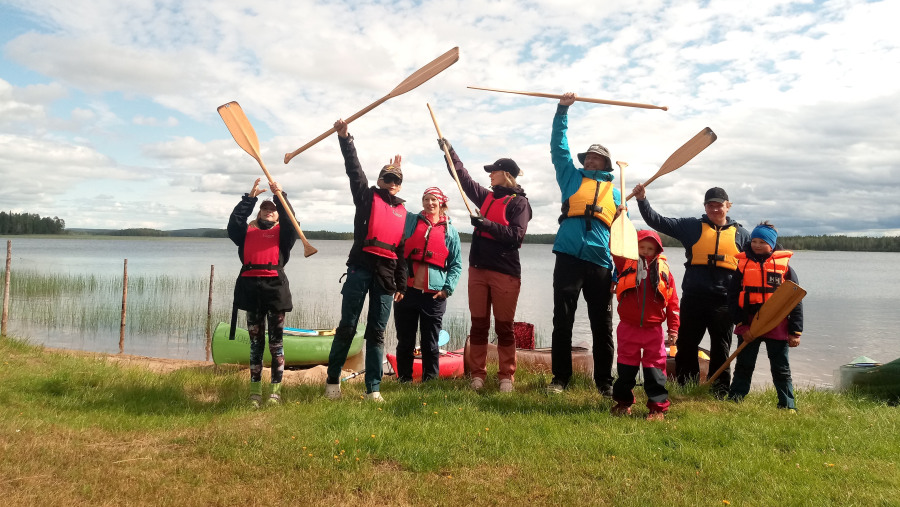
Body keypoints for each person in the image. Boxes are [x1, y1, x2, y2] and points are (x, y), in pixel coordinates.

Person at [633, 184, 750, 396]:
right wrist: (642, 200)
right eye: (710, 205)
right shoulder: (691, 227)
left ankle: (720, 390)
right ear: (705, 207)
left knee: (721, 348)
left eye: (719, 206)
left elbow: (761, 258)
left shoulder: (742, 235)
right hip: (694, 298)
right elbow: (657, 221)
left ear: (728, 206)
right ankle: (687, 387)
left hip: (724, 302)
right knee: (686, 345)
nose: (715, 210)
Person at [437, 137, 532, 392]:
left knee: (504, 327)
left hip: (505, 273)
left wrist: (485, 224)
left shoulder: (520, 203)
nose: (489, 175)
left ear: (507, 175)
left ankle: (505, 377)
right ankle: (477, 375)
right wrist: (449, 152)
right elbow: (462, 178)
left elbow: (516, 236)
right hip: (478, 270)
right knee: (478, 324)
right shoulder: (486, 197)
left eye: (494, 171)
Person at [324, 119, 408, 402]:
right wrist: (346, 138)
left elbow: (403, 252)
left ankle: (373, 388)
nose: (392, 183)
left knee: (377, 332)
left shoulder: (402, 212)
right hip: (360, 268)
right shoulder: (365, 196)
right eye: (388, 178)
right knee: (348, 325)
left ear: (399, 186)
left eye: (397, 180)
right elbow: (354, 170)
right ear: (380, 180)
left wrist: (402, 284)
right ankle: (332, 382)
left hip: (386, 274)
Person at [547, 92, 622, 396]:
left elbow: (621, 238)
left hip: (601, 264)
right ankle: (560, 378)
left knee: (602, 325)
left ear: (605, 163)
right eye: (588, 156)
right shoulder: (570, 177)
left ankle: (604, 382)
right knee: (562, 321)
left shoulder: (616, 194)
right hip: (568, 258)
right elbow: (558, 146)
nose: (590, 159)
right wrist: (562, 110)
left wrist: (619, 272)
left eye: (596, 157)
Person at [227, 178, 297, 408]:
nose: (269, 211)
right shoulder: (244, 232)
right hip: (250, 291)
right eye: (265, 208)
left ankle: (275, 393)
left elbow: (292, 220)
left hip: (275, 290)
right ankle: (255, 394)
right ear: (258, 213)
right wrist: (249, 199)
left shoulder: (284, 234)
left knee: (276, 344)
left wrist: (280, 196)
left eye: (273, 210)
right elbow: (233, 224)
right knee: (256, 344)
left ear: (278, 215)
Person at [727, 221, 803, 410]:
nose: (757, 245)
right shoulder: (742, 266)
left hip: (777, 324)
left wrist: (795, 331)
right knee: (744, 365)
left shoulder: (785, 268)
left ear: (772, 243)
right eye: (754, 241)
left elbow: (795, 300)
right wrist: (741, 325)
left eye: (762, 241)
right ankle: (735, 398)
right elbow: (732, 297)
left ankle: (787, 405)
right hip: (750, 323)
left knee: (781, 368)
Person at [393, 187, 463, 382]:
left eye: (433, 199)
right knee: (405, 341)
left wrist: (446, 290)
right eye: (426, 199)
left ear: (441, 202)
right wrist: (397, 176)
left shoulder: (450, 231)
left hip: (433, 296)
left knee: (430, 343)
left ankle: (430, 382)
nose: (429, 203)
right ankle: (404, 379)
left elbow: (456, 265)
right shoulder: (412, 221)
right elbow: (396, 205)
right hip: (406, 292)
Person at [610, 230, 680, 420]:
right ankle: (623, 403)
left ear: (657, 250)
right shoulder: (624, 263)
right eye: (641, 247)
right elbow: (615, 246)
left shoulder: (665, 271)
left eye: (650, 248)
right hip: (628, 328)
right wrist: (619, 221)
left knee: (655, 370)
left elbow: (673, 303)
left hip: (654, 330)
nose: (646, 251)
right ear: (634, 247)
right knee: (625, 368)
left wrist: (673, 329)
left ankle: (657, 408)